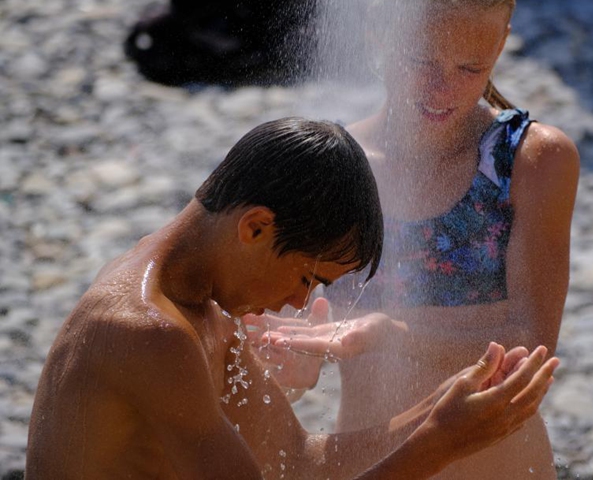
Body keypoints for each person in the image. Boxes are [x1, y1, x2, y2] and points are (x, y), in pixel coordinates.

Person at [25, 117, 560, 479]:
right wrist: (440, 445)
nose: (295, 303)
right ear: (256, 227)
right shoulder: (146, 332)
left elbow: (301, 462)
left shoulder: (205, 308)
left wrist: (439, 411)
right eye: (307, 278)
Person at [260, 1, 580, 478]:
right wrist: (291, 372)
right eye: (421, 61)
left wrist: (391, 333)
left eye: (471, 67)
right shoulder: (334, 170)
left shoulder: (530, 162)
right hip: (368, 465)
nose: (442, 89)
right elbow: (284, 334)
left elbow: (531, 343)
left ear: (502, 39)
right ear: (376, 31)